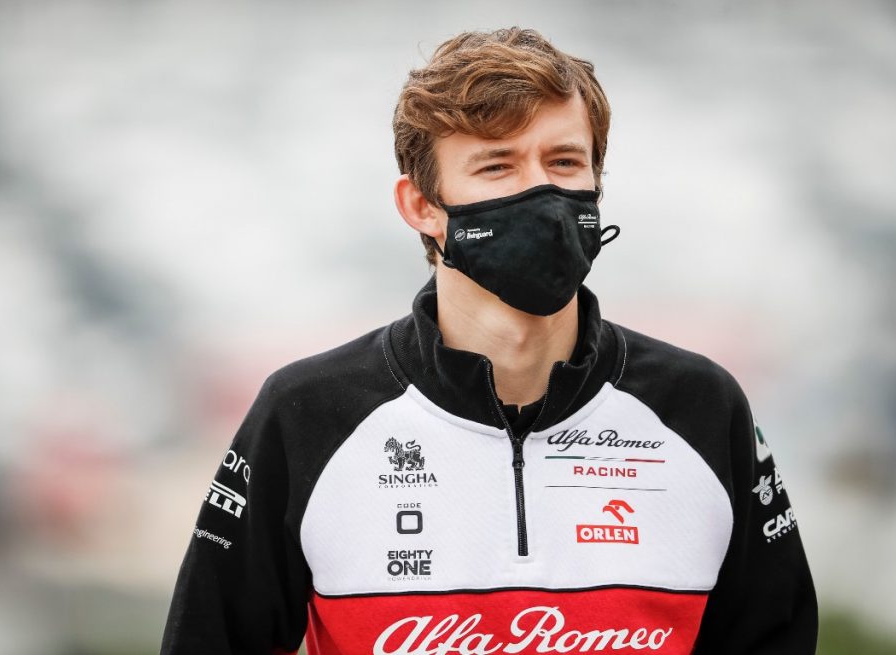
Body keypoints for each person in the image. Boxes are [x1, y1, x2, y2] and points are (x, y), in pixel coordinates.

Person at [159, 27, 817, 655]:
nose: (540, 192)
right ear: (421, 206)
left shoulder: (701, 407)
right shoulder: (306, 413)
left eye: (564, 161)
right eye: (497, 166)